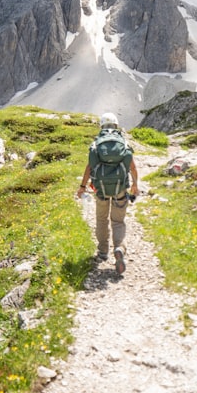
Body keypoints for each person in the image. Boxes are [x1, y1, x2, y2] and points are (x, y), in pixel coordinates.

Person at [77, 112, 139, 275]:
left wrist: (82, 186)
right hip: (120, 189)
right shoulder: (123, 144)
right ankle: (119, 248)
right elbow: (132, 167)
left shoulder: (96, 145)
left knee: (101, 219)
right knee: (118, 221)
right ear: (116, 126)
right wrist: (135, 185)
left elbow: (89, 168)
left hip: (101, 190)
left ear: (101, 126)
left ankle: (103, 251)